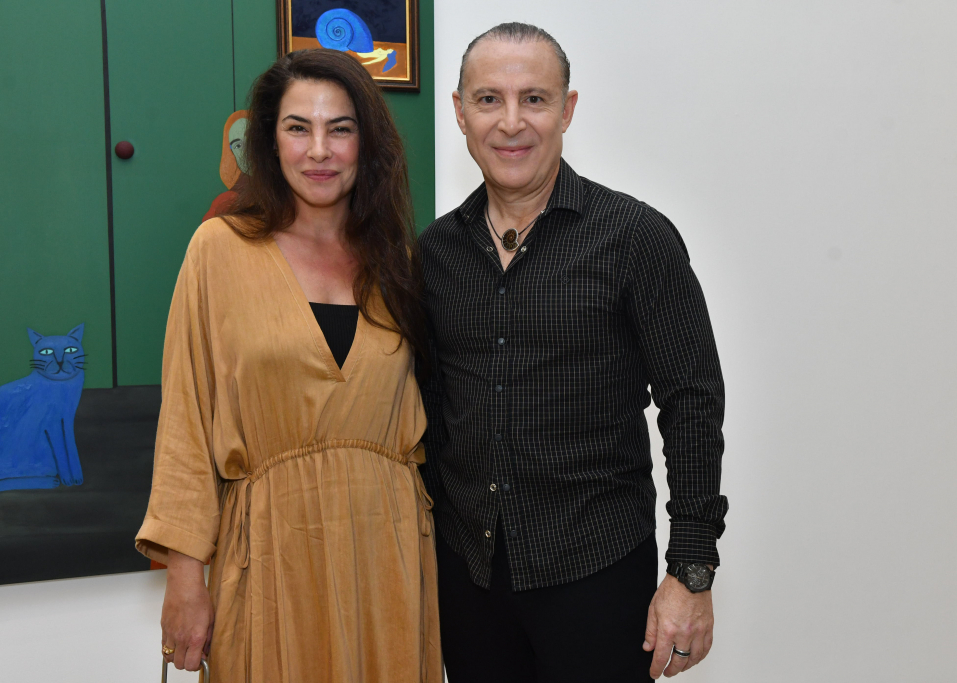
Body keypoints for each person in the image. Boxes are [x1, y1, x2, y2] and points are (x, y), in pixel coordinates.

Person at [418, 23, 727, 682]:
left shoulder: (635, 237)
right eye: (489, 99)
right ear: (460, 112)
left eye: (534, 98)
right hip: (469, 578)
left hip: (597, 573)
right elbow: (431, 412)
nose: (511, 122)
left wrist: (691, 572)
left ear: (567, 110)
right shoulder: (434, 254)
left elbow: (693, 404)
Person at [136, 49, 442, 683]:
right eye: (298, 128)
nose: (319, 150)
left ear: (367, 143)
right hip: (271, 553)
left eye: (341, 129)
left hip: (388, 555)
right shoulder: (219, 250)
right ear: (270, 142)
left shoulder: (399, 261)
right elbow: (186, 426)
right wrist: (185, 580)